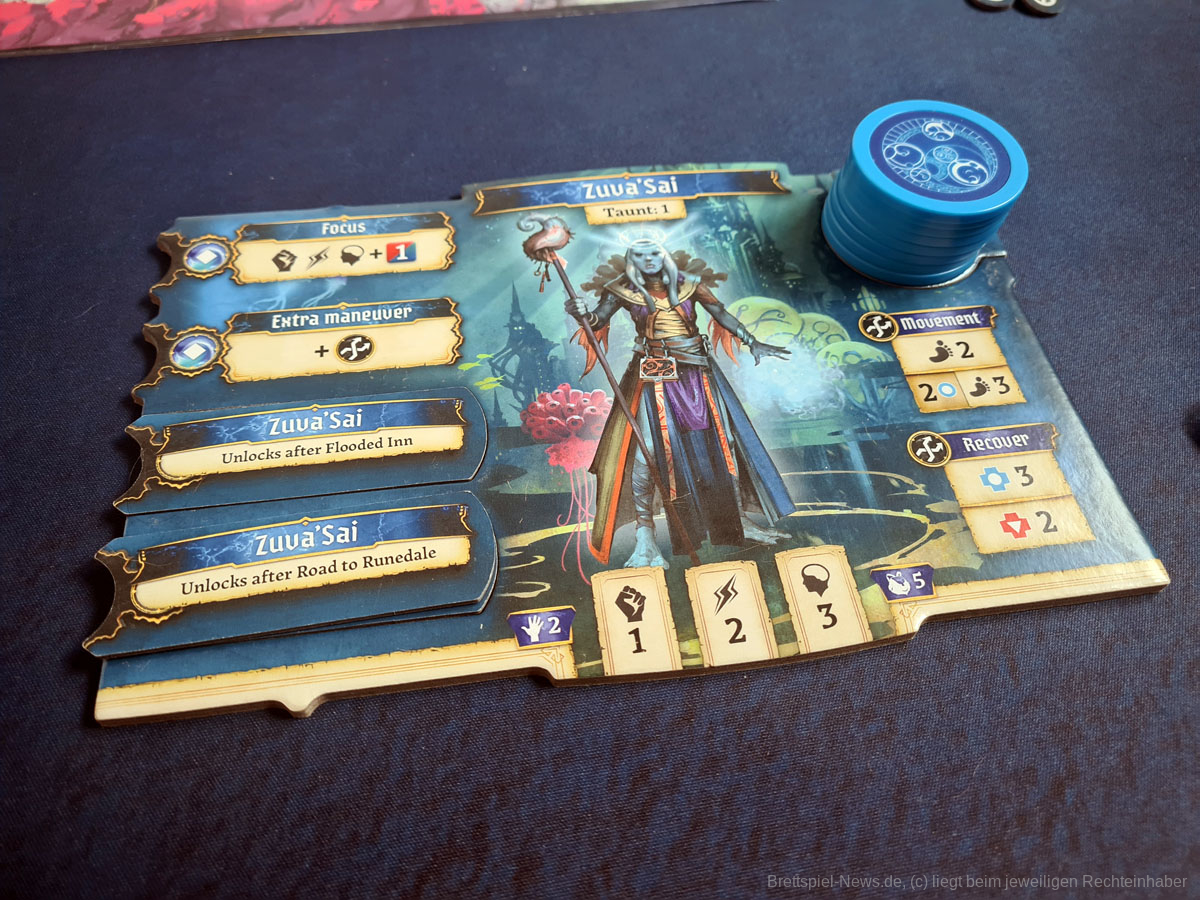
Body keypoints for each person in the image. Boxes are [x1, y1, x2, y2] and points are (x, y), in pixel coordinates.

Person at [568, 235, 795, 568]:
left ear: (663, 255)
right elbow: (597, 321)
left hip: (697, 371)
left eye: (654, 253)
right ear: (632, 260)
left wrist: (751, 340)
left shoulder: (689, 284)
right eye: (640, 255)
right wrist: (581, 314)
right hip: (654, 373)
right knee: (647, 452)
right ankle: (645, 539)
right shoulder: (621, 289)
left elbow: (719, 312)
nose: (649, 259)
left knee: (725, 444)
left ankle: (739, 522)